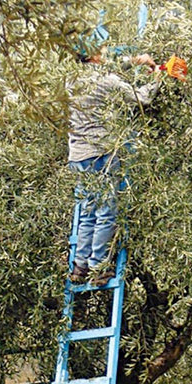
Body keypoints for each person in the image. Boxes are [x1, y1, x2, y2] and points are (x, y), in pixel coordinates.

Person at [67, 44, 160, 285]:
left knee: (88, 211)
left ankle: (80, 267)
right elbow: (143, 98)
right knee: (106, 211)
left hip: (78, 155)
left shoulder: (71, 80)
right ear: (94, 56)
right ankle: (99, 268)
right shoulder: (105, 81)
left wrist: (137, 60)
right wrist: (159, 76)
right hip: (100, 153)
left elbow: (113, 65)